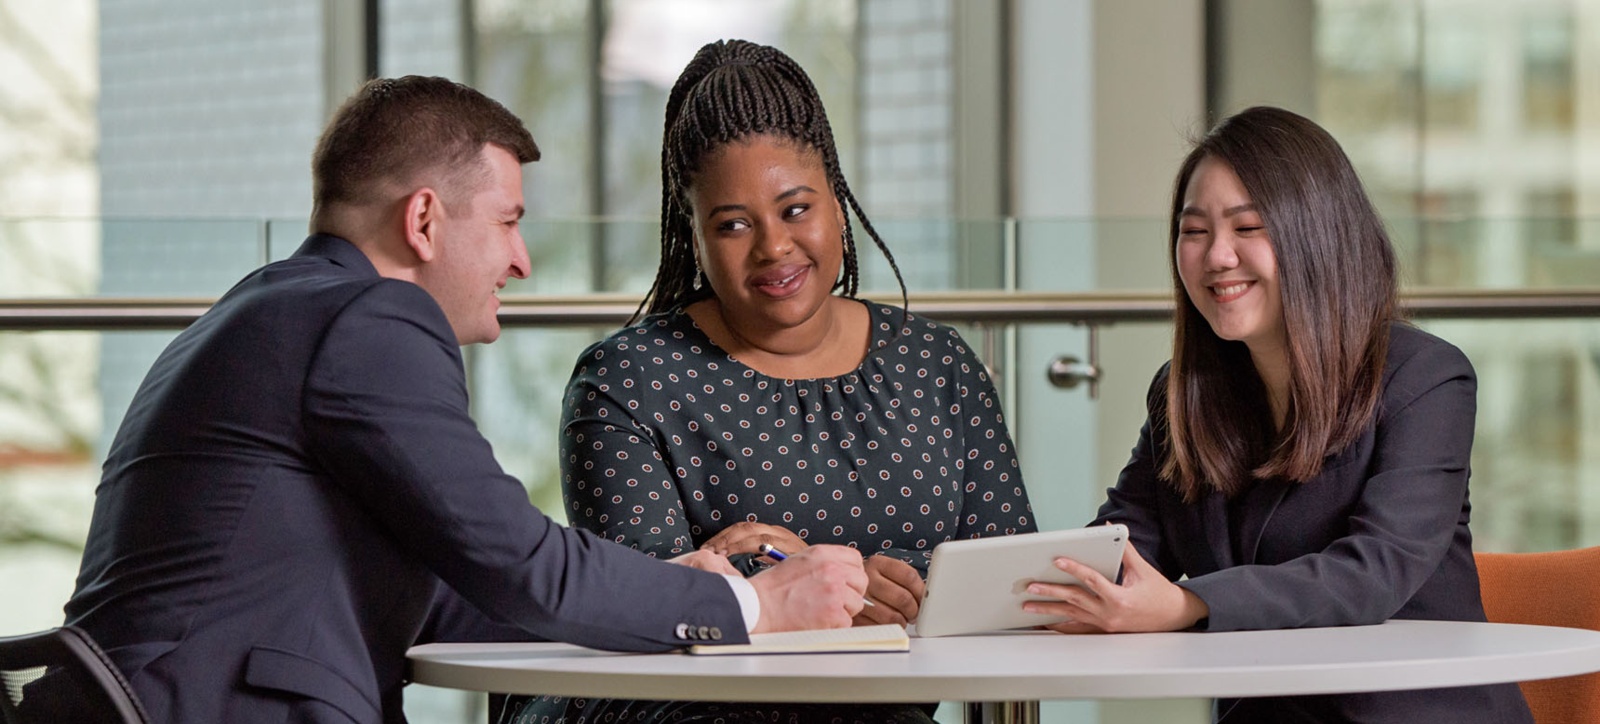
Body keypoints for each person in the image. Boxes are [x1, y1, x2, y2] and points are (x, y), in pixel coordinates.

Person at [43, 75, 872, 724]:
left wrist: (664, 583)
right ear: (426, 221)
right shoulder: (369, 316)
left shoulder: (263, 310)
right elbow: (516, 559)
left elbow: (457, 586)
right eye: (508, 221)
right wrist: (751, 602)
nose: (521, 261)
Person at [505, 39, 1035, 724]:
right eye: (732, 225)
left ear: (837, 206)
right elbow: (642, 605)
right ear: (692, 237)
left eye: (795, 210)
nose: (773, 248)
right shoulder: (628, 381)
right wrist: (850, 588)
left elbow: (1012, 576)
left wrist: (811, 570)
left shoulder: (937, 364)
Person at [1022, 106, 1533, 722]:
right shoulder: (1182, 394)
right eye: (1194, 231)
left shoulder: (1424, 378)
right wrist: (1020, 589)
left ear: (1317, 235)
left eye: (1249, 227)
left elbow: (1374, 570)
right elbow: (1125, 547)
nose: (1217, 257)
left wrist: (1189, 606)